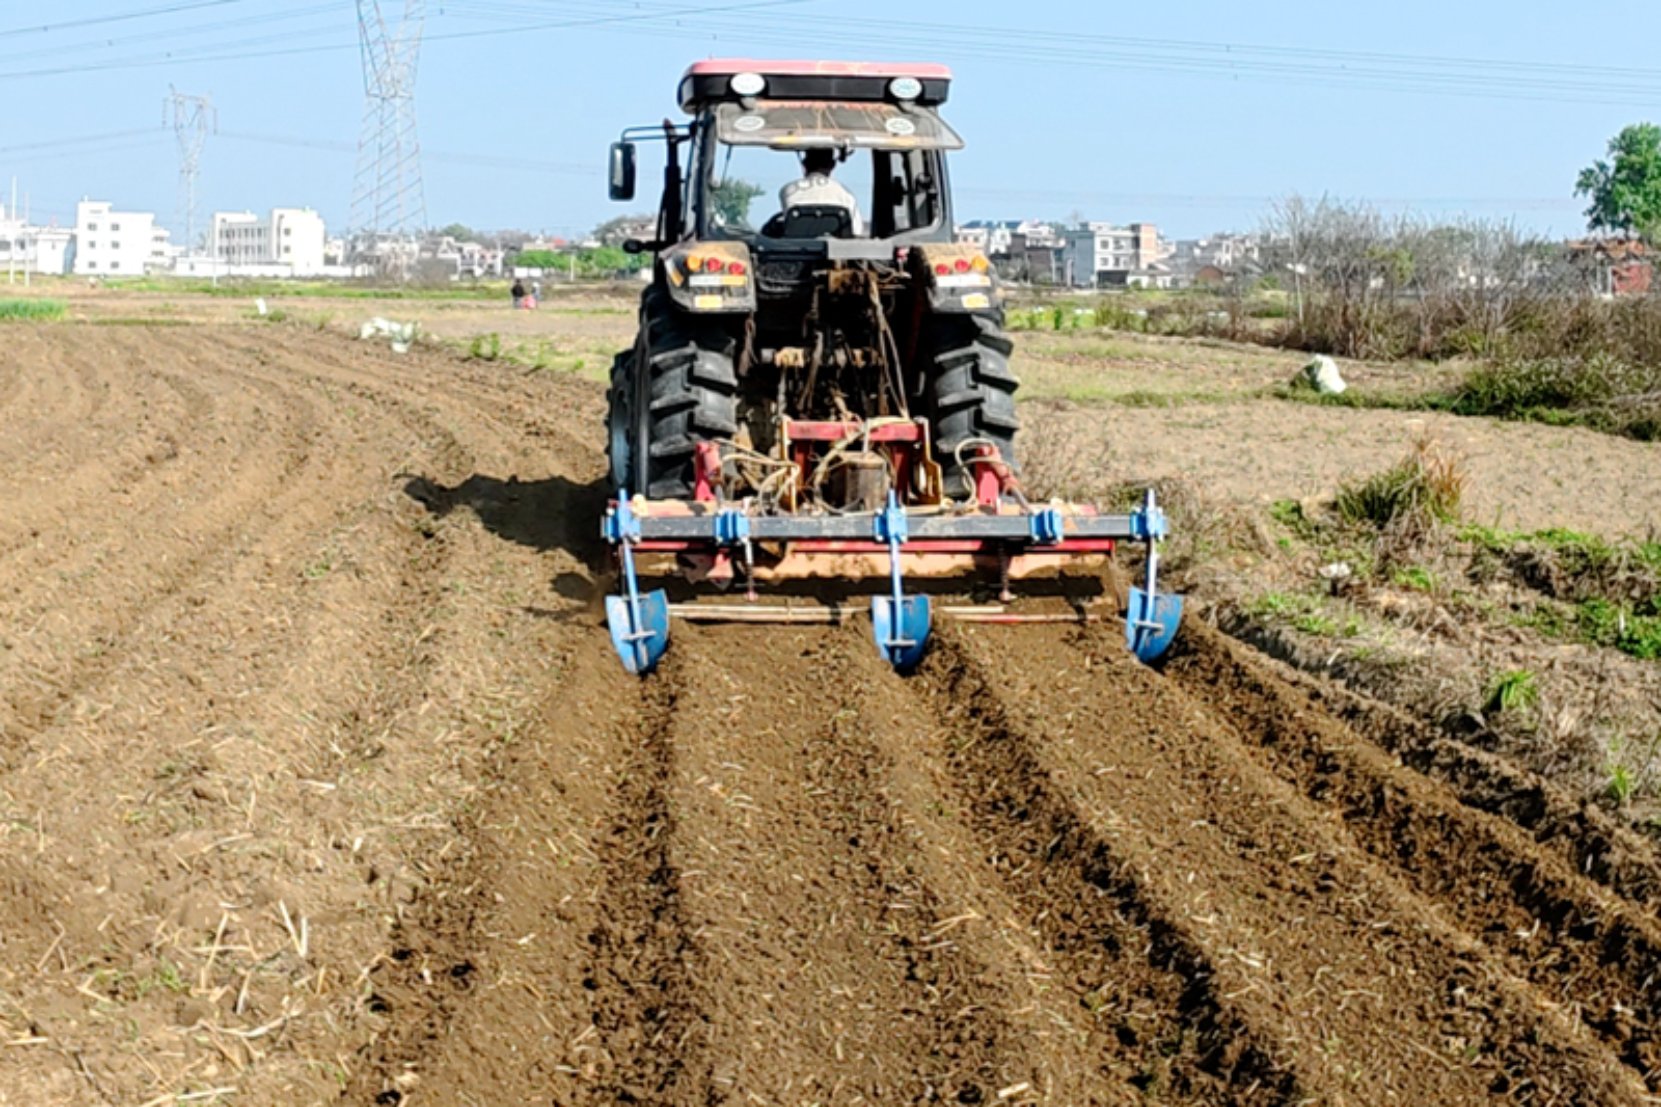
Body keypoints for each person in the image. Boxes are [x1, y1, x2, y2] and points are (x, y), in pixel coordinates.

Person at [778, 148, 863, 235]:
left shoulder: (788, 190)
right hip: (837, 248)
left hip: (796, 247)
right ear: (833, 165)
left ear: (804, 163)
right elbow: (856, 231)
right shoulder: (846, 195)